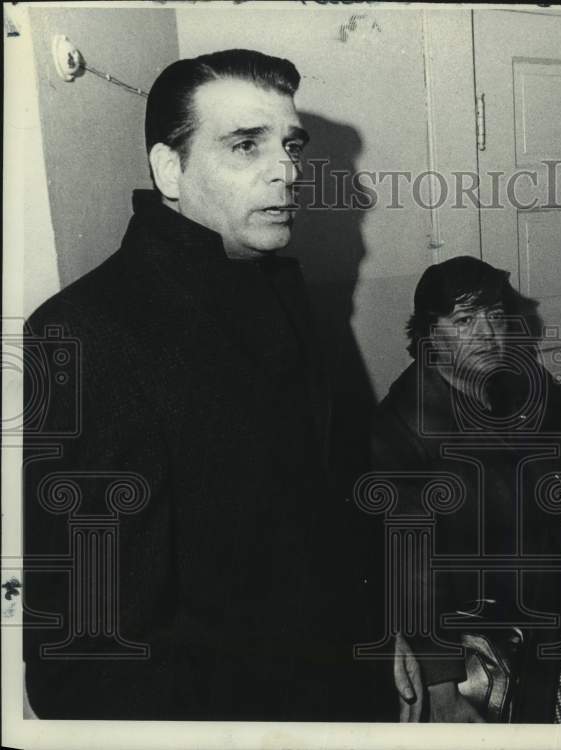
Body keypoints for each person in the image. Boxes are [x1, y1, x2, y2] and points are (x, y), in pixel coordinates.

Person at [23, 49, 373, 720]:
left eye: (290, 145)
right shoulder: (84, 336)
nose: (288, 171)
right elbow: (86, 668)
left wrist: (373, 638)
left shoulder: (278, 288)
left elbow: (315, 515)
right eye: (246, 145)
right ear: (169, 169)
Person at [371, 257, 561, 723]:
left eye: (495, 315)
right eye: (465, 321)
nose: (489, 334)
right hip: (484, 651)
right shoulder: (401, 427)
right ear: (430, 334)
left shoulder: (532, 387)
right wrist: (442, 689)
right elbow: (410, 570)